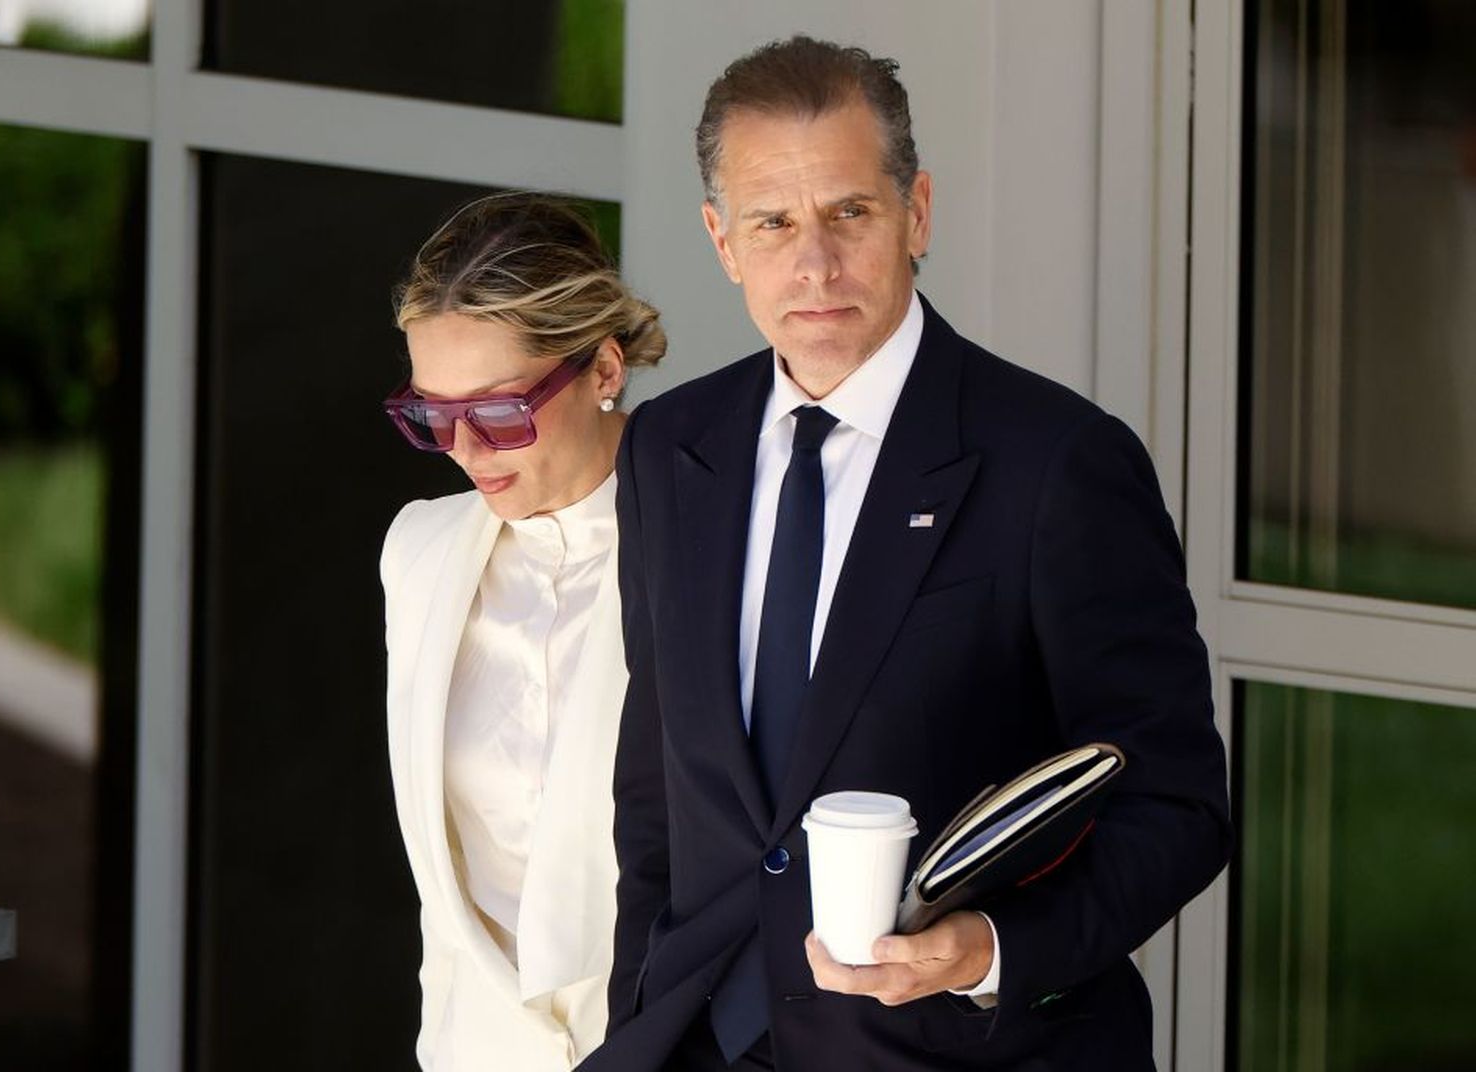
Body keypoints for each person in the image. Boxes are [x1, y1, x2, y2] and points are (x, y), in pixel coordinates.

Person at [583, 36, 1231, 1071]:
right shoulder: (672, 450)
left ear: (916, 211)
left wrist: (987, 950)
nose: (815, 264)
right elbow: (657, 797)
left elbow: (1179, 804)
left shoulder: (1057, 463)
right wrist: (641, 1021)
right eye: (774, 222)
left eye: (850, 212)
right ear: (721, 239)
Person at [379, 194, 665, 1070]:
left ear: (604, 368)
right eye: (430, 415)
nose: (466, 449)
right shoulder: (419, 553)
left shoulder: (709, 545)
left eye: (500, 413)